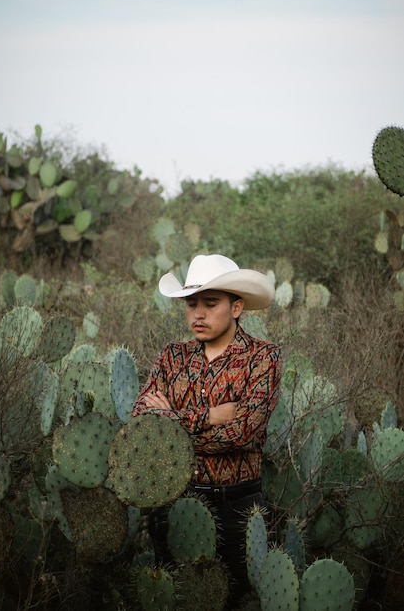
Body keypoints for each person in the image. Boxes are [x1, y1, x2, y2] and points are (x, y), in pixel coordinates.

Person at [132, 253, 282, 609]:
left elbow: (245, 431)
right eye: (191, 304)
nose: (197, 314)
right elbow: (141, 420)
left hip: (238, 506)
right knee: (176, 599)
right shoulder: (172, 356)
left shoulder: (262, 358)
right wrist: (210, 416)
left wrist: (173, 421)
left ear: (236, 307)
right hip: (176, 501)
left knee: (238, 600)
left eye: (210, 303)